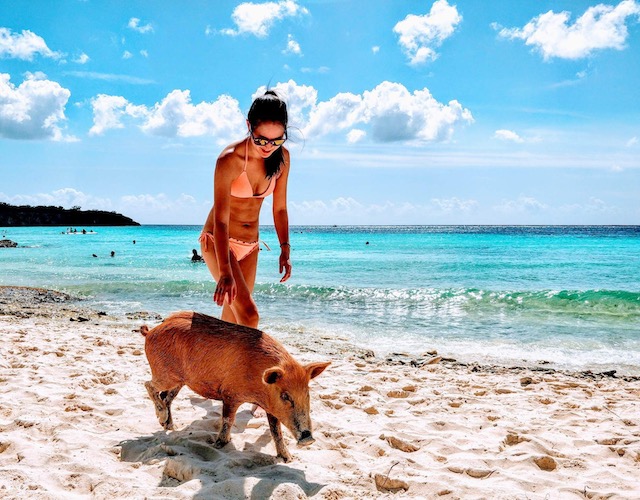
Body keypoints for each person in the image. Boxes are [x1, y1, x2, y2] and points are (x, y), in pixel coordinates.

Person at [200, 90, 292, 329]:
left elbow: (279, 208)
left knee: (233, 323)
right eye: (262, 139)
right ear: (249, 126)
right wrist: (225, 270)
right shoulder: (230, 159)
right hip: (220, 241)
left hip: (251, 246)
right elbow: (220, 221)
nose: (268, 147)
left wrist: (285, 248)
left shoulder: (282, 159)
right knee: (249, 315)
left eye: (277, 140)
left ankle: (219, 365)